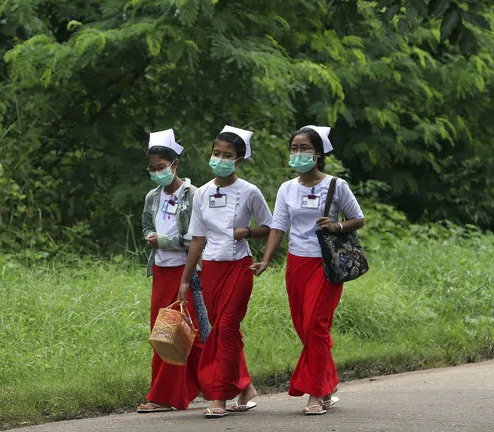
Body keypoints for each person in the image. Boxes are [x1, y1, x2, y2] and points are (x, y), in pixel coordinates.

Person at [250, 125, 365, 415]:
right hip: (296, 263)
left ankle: (315, 393)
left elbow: (358, 218)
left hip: (326, 265)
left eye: (304, 148)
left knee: (316, 324)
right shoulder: (287, 188)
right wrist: (265, 260)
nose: (298, 153)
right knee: (305, 327)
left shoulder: (336, 185)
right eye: (295, 148)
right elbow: (278, 227)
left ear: (318, 153)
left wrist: (337, 226)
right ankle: (328, 383)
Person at [178, 125, 273, 418]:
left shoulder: (249, 191)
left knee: (227, 329)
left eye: (227, 155)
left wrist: (246, 231)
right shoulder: (202, 193)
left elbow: (270, 227)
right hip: (211, 270)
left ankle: (218, 394)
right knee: (221, 329)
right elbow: (197, 238)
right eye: (216, 153)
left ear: (239, 159)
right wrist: (185, 279)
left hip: (239, 267)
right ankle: (245, 386)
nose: (220, 158)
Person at [138, 128, 203, 413]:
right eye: (152, 169)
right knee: (162, 333)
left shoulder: (193, 195)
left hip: (185, 271)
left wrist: (163, 240)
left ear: (175, 165)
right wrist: (151, 236)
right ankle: (183, 390)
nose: (156, 173)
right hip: (161, 272)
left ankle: (165, 397)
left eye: (161, 167)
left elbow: (195, 238)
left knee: (177, 333)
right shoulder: (152, 196)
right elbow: (146, 226)